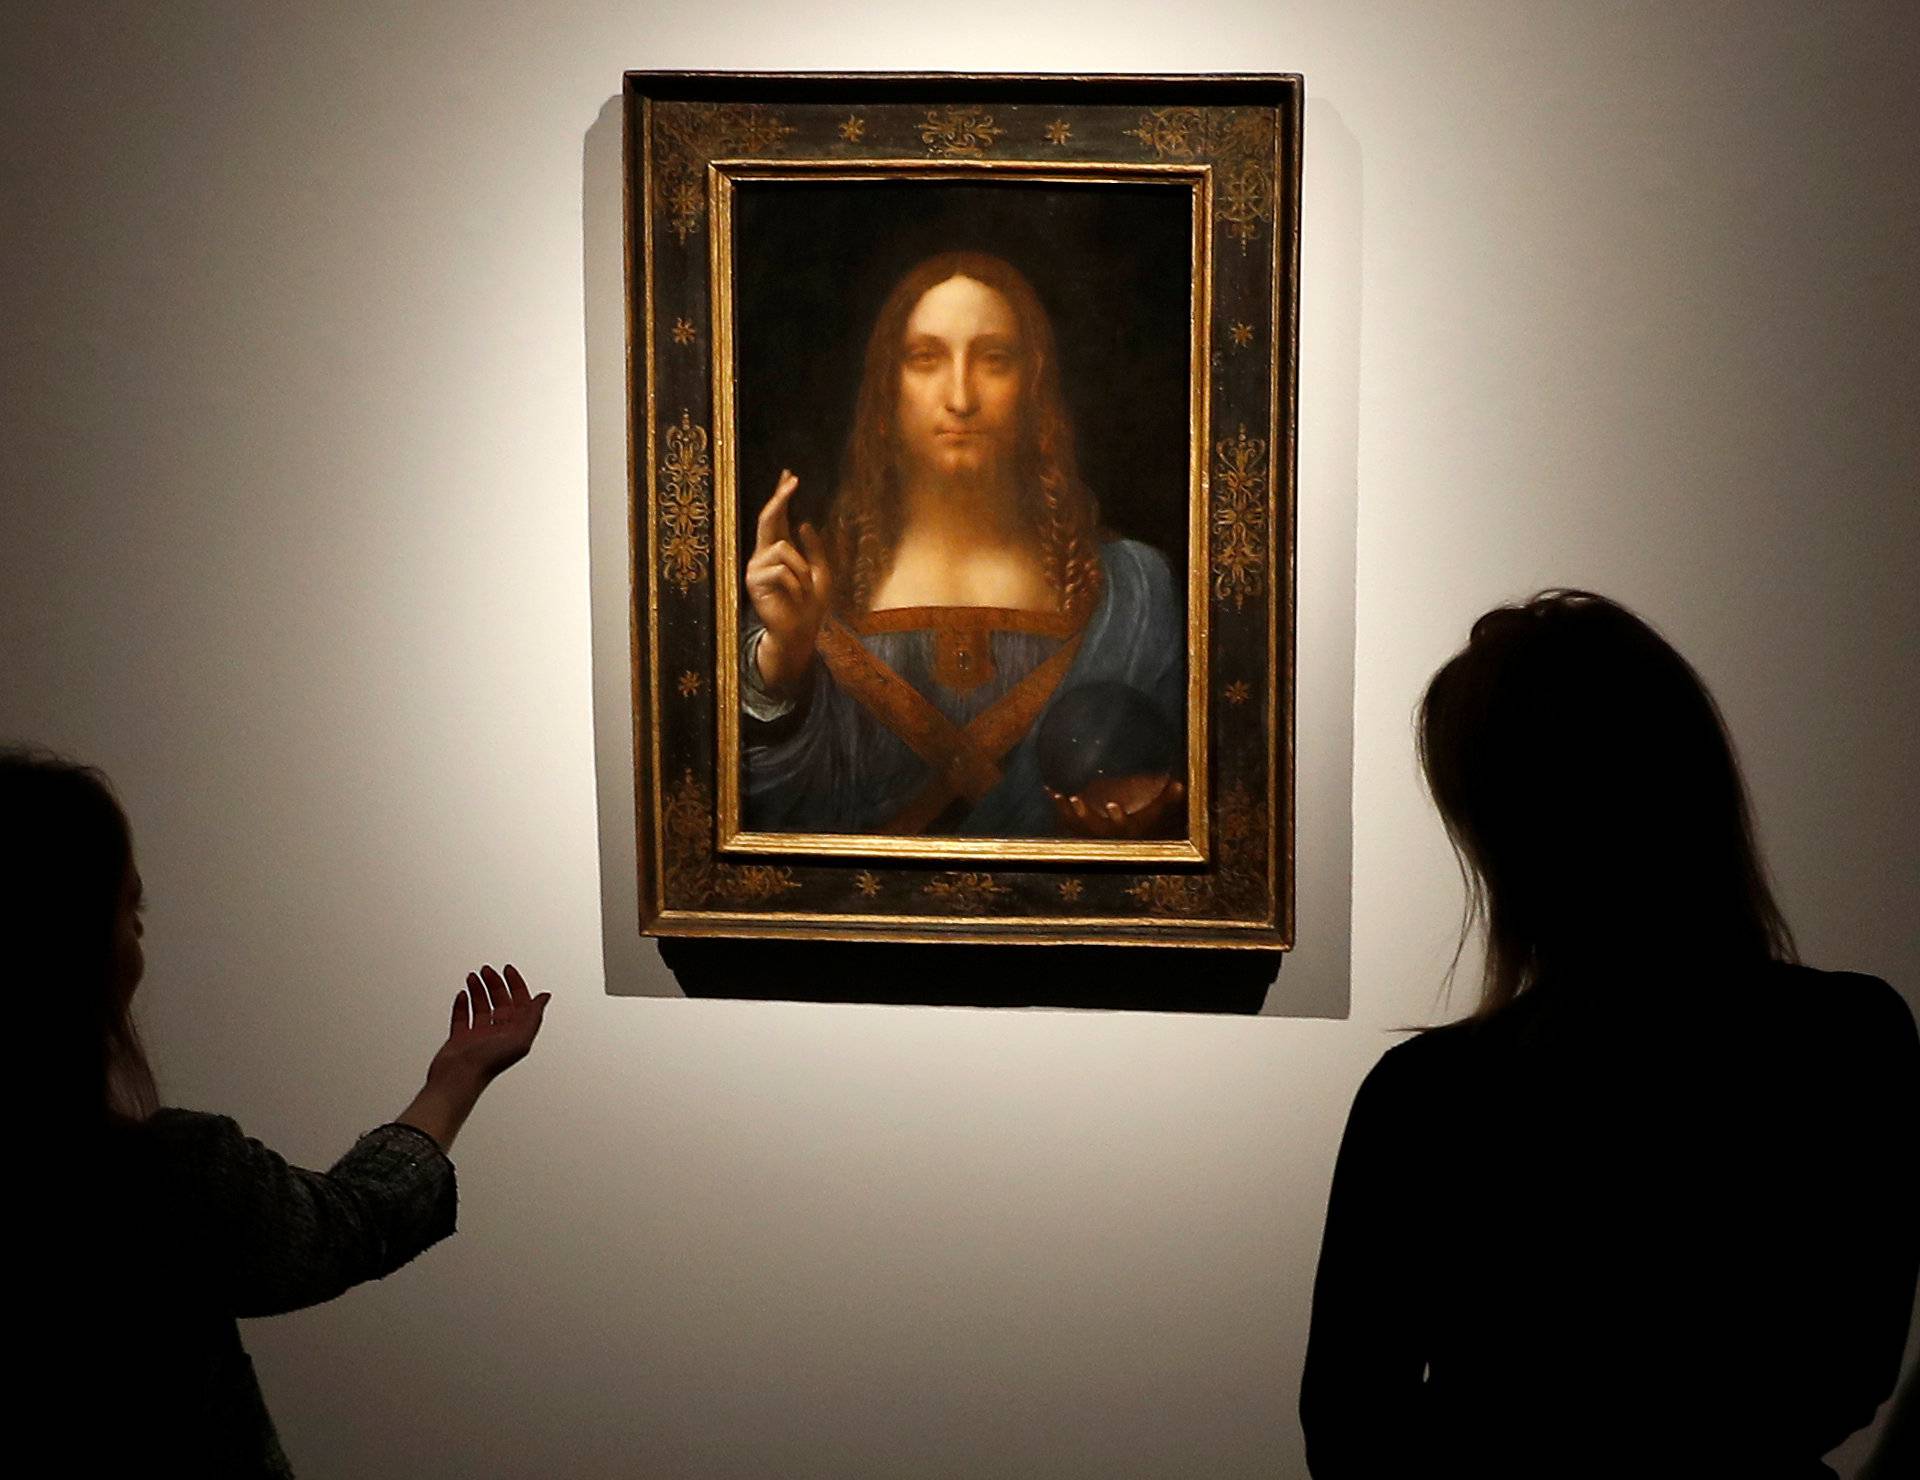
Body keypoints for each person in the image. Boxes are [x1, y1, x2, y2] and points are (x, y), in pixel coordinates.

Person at [1299, 592, 1919, 1478]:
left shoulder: (1426, 1097)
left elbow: (1353, 1431)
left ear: (1499, 836)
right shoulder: (1848, 1041)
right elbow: (1844, 1372)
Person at [11, 749, 550, 1476]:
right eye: (128, 909)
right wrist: (456, 1079)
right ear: (70, 941)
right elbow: (350, 1223)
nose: (139, 936)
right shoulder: (163, 1180)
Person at [740, 250, 1186, 838]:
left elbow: (1179, 785)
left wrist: (1146, 821)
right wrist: (785, 654)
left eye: (994, 359)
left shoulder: (1135, 590)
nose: (960, 397)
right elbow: (761, 805)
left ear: (1034, 386)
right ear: (884, 390)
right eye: (925, 358)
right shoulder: (813, 587)